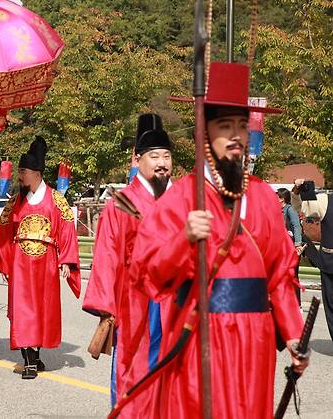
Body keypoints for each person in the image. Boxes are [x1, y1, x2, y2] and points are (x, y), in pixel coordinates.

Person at [127, 62, 308, 418]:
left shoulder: (264, 197)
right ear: (203, 132)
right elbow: (146, 273)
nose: (236, 136)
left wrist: (292, 334)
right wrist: (183, 238)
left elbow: (281, 277)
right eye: (225, 126)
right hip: (199, 336)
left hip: (254, 338)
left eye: (242, 126)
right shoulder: (179, 198)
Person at [82, 113, 173, 410]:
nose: (162, 163)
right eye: (154, 156)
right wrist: (108, 310)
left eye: (167, 156)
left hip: (174, 303)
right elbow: (107, 257)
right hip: (135, 304)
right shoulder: (121, 204)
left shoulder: (179, 201)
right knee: (132, 374)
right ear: (138, 160)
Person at [0, 136, 81, 379]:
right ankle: (29, 360)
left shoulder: (55, 198)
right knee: (23, 309)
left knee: (42, 308)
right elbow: (3, 229)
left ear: (36, 173)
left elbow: (66, 227)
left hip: (46, 263)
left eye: (23, 171)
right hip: (21, 263)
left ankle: (35, 354)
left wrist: (66, 260)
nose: (19, 176)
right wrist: (6, 259)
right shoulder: (16, 201)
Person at [293, 178, 333, 341]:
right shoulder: (326, 201)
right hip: (331, 263)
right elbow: (306, 209)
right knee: (331, 303)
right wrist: (300, 189)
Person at [277, 187, 306, 305]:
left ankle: (296, 303)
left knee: (293, 275)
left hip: (291, 249)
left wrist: (297, 245)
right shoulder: (276, 210)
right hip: (280, 248)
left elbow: (296, 226)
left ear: (282, 199)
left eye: (276, 196)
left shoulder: (290, 210)